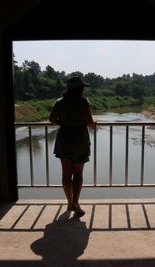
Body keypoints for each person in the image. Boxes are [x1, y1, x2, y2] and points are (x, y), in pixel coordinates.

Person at [49, 76, 96, 216]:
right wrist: (94, 124)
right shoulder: (83, 102)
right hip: (80, 141)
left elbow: (51, 119)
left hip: (64, 140)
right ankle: (75, 203)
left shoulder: (59, 102)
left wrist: (63, 123)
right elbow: (89, 121)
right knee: (78, 174)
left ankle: (69, 203)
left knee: (66, 173)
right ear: (80, 89)